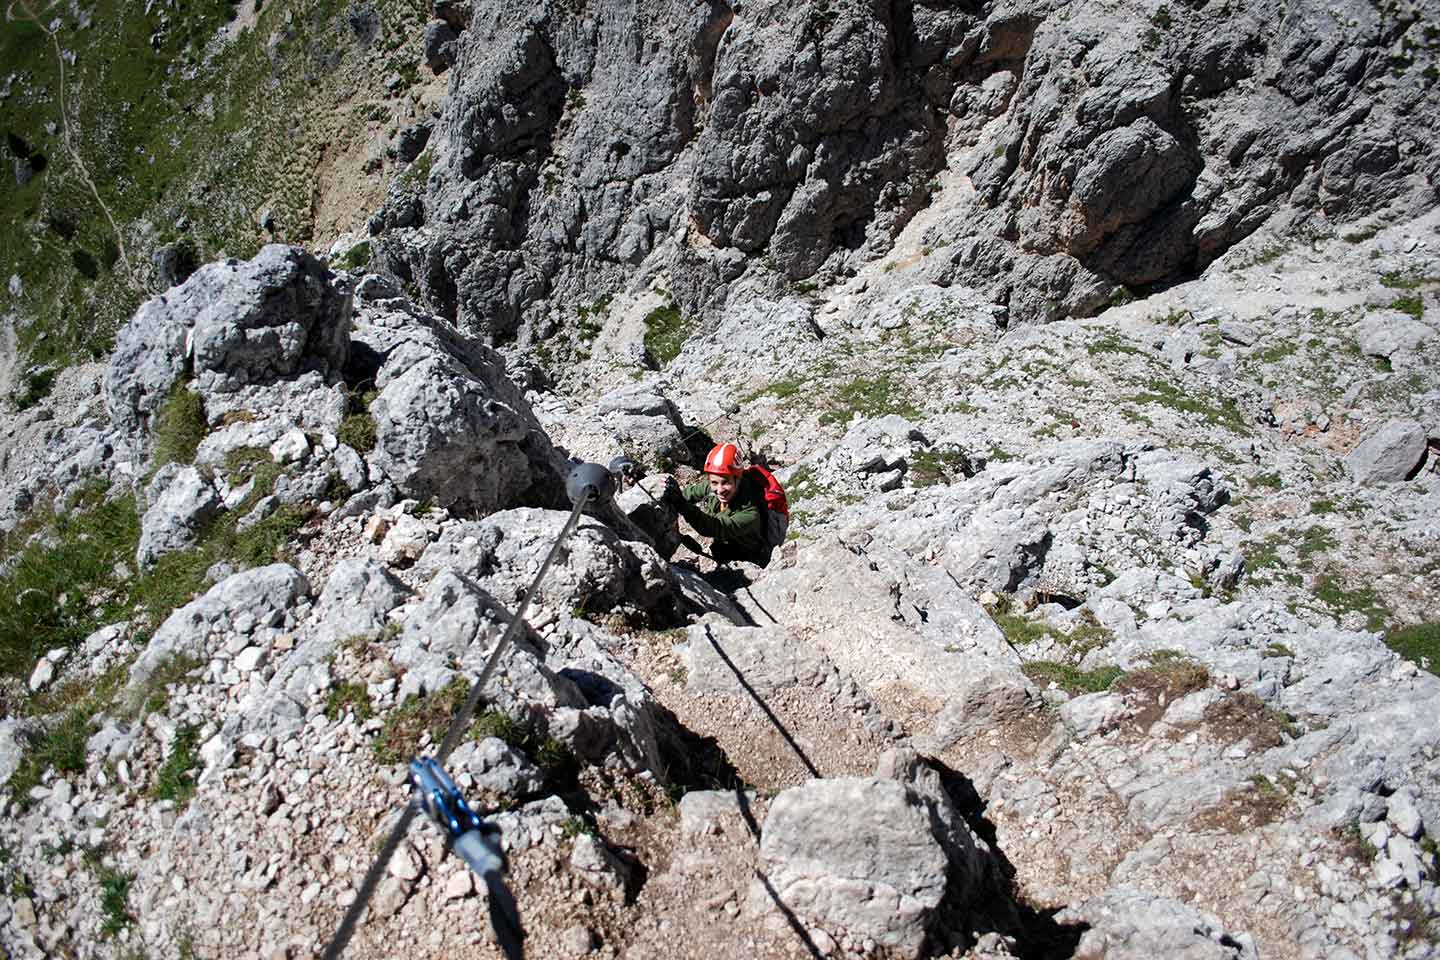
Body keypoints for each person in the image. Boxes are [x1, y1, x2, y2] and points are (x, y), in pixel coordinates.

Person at [662, 442, 773, 567]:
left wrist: (681, 504)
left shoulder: (750, 513)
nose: (719, 490)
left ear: (738, 479)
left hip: (748, 561)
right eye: (714, 482)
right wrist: (667, 494)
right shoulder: (713, 486)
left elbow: (717, 527)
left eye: (726, 482)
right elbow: (690, 494)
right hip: (725, 549)